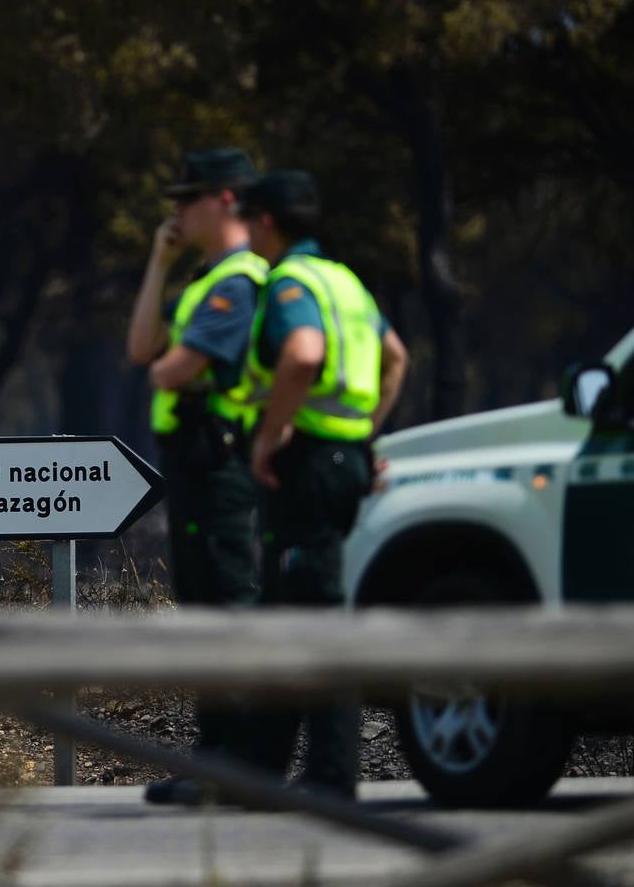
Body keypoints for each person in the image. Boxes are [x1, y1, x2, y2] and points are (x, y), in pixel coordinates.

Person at [235, 169, 409, 798]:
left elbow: (304, 354)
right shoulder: (346, 281)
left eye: (250, 221)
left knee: (316, 611)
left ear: (267, 223)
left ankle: (332, 774)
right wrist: (361, 432)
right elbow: (396, 358)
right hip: (345, 462)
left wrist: (271, 434)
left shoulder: (292, 282)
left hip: (305, 465)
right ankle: (260, 771)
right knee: (287, 606)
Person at [126, 148, 266, 805]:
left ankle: (241, 770)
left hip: (222, 470)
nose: (178, 211)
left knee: (232, 617)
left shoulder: (240, 282)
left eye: (191, 198)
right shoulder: (203, 283)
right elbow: (141, 349)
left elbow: (170, 368)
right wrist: (158, 261)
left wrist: (167, 367)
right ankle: (215, 766)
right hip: (195, 470)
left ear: (227, 201)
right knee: (207, 616)